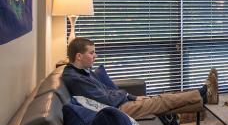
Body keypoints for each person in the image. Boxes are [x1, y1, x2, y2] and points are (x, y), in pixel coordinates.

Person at [62, 37, 217, 119]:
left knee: (165, 104)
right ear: (79, 56)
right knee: (162, 101)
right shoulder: (75, 78)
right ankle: (203, 91)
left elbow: (107, 92)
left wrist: (131, 97)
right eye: (91, 53)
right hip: (116, 111)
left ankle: (204, 98)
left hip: (119, 105)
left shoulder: (82, 72)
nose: (95, 56)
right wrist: (127, 97)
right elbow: (107, 100)